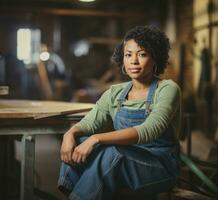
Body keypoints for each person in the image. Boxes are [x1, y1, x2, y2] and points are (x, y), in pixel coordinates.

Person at [58, 25, 181, 200]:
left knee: (109, 151)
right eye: (128, 54)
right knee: (79, 140)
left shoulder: (168, 89)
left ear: (155, 58)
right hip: (122, 161)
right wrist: (69, 134)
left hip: (159, 166)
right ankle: (72, 191)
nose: (134, 61)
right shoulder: (115, 93)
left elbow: (149, 130)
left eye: (142, 54)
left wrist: (97, 138)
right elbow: (89, 123)